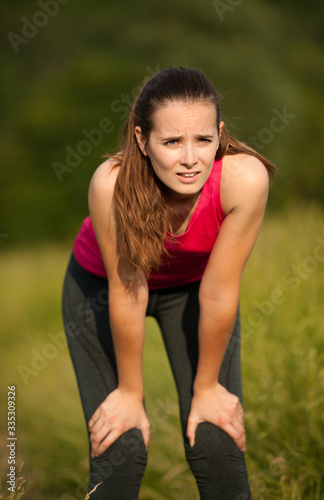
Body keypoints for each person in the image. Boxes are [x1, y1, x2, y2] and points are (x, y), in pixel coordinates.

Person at [62, 67, 276, 500]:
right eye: (172, 142)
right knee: (121, 446)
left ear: (220, 133)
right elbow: (128, 290)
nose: (190, 158)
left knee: (215, 434)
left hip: (194, 291)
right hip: (104, 291)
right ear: (142, 140)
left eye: (202, 139)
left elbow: (218, 291)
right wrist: (129, 392)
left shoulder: (245, 180)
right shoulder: (111, 184)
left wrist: (208, 388)